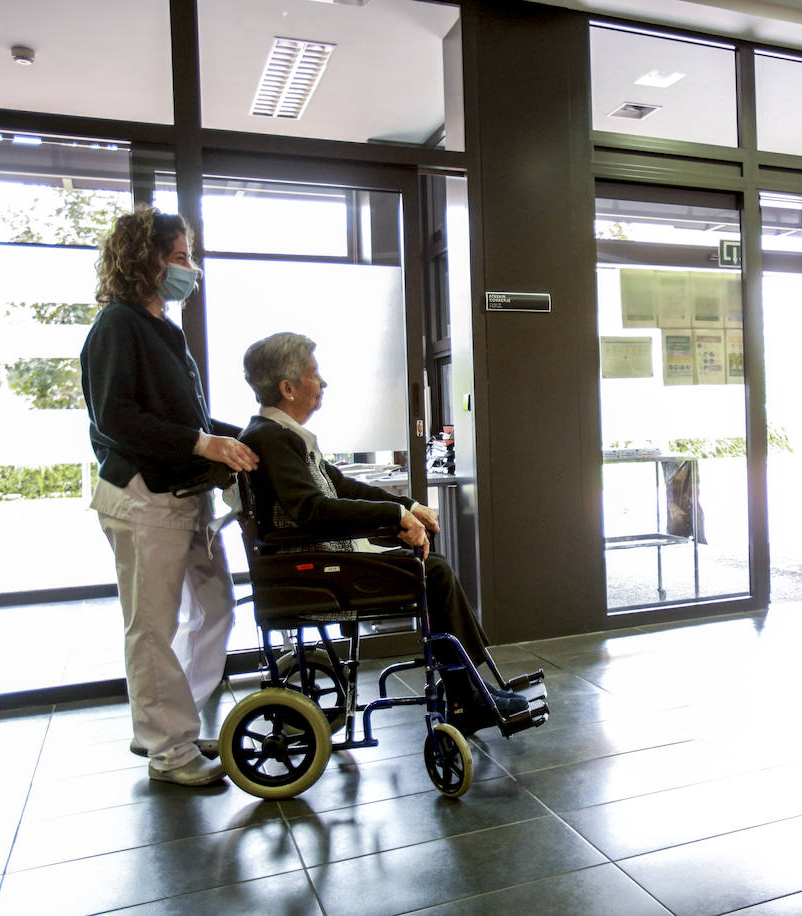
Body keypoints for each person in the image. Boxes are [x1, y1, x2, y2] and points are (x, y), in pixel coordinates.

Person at [239, 332, 530, 734]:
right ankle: (467, 697)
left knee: (433, 566)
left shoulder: (279, 436)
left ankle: (469, 690)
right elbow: (312, 510)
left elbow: (342, 486)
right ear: (288, 389)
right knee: (434, 572)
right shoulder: (272, 439)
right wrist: (395, 516)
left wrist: (406, 506)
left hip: (321, 562)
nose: (323, 383)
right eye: (314, 374)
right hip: (318, 571)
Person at [81, 206, 259, 786]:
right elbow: (117, 419)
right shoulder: (117, 325)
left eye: (189, 256)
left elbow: (189, 418)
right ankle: (168, 749)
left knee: (215, 608)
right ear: (145, 259)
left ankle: (176, 722)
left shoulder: (163, 328)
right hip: (142, 495)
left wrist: (242, 437)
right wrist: (201, 442)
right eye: (180, 256)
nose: (191, 268)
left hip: (183, 492)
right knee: (152, 625)